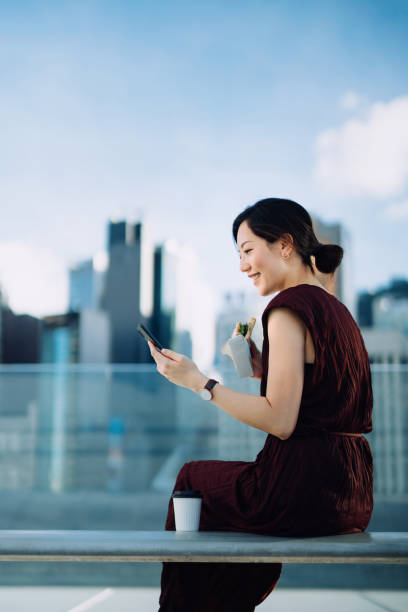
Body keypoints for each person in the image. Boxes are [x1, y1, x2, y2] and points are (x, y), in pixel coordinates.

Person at [148, 197, 374, 612]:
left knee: (193, 479)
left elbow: (281, 421)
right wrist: (260, 369)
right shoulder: (338, 312)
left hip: (302, 487)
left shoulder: (286, 308)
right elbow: (323, 396)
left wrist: (199, 382)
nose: (242, 266)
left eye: (248, 250)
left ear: (285, 245)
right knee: (227, 500)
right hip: (352, 490)